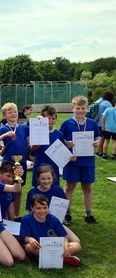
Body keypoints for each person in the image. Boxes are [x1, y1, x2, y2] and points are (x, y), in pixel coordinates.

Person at [60, 96, 102, 224]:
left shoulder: (92, 123)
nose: (80, 111)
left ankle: (88, 214)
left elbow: (98, 136)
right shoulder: (66, 123)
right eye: (77, 108)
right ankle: (66, 214)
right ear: (73, 108)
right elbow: (60, 139)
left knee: (87, 187)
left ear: (86, 108)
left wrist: (97, 142)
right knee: (69, 186)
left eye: (83, 108)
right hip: (72, 160)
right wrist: (66, 143)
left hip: (88, 160)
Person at [0, 102, 29, 219]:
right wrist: (5, 135)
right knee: (5, 189)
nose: (13, 114)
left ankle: (16, 216)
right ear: (4, 115)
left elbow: (30, 144)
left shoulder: (24, 127)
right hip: (8, 163)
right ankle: (2, 215)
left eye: (15, 112)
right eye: (10, 112)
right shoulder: (3, 129)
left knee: (18, 190)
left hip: (21, 163)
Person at [26, 165, 82, 245]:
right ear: (38, 179)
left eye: (49, 178)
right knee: (44, 242)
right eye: (43, 179)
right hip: (39, 223)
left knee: (76, 241)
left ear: (53, 178)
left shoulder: (58, 190)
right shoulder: (32, 192)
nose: (46, 181)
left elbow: (63, 207)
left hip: (55, 222)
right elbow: (30, 212)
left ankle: (60, 250)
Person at [20, 195, 81, 267]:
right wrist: (31, 239)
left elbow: (63, 236)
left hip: (52, 246)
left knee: (77, 245)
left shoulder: (53, 219)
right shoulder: (26, 219)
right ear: (32, 208)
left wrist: (66, 247)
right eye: (38, 208)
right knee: (28, 247)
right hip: (38, 247)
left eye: (45, 208)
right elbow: (26, 237)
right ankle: (60, 258)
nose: (42, 211)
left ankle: (46, 258)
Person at [30, 106, 68, 187]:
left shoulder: (59, 134)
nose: (50, 120)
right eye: (48, 118)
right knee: (39, 191)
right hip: (40, 165)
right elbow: (32, 149)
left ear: (56, 120)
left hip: (53, 167)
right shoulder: (37, 131)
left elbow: (62, 152)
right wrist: (39, 139)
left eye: (53, 118)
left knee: (53, 190)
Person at [94, 91, 113, 156]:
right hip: (102, 123)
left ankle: (97, 151)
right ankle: (101, 152)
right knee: (102, 138)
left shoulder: (99, 101)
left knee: (99, 137)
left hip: (96, 122)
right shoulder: (107, 103)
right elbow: (110, 112)